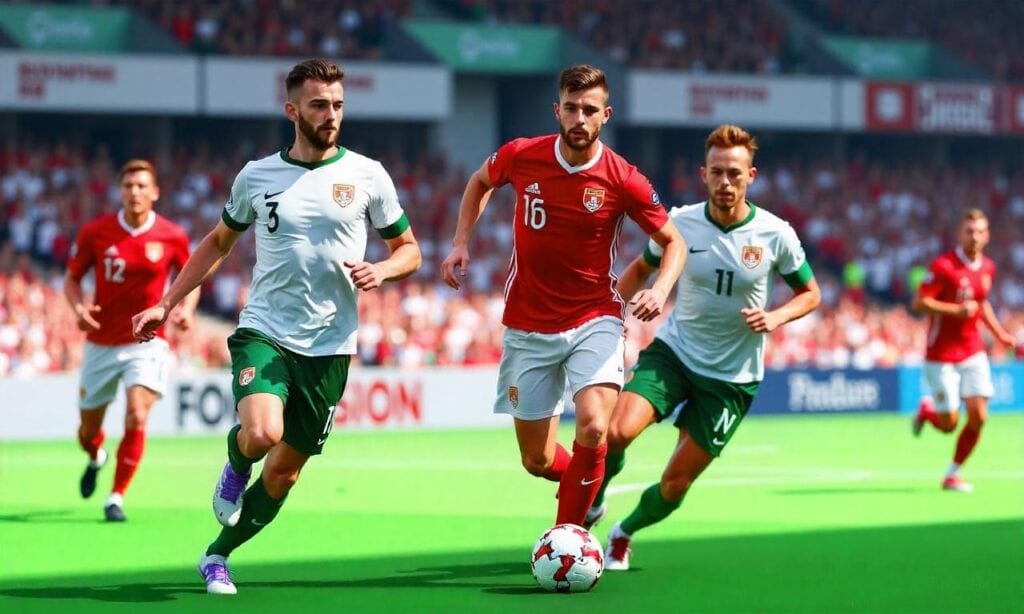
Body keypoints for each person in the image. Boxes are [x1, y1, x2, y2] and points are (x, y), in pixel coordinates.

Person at [132, 58, 421, 595]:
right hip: (265, 330)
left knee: (285, 473)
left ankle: (218, 555)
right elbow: (219, 242)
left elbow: (409, 250)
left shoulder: (368, 175)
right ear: (292, 111)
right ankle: (237, 459)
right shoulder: (257, 175)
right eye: (319, 105)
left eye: (338, 105)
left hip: (331, 346)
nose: (331, 114)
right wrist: (167, 303)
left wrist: (382, 270)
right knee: (263, 432)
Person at [440, 64, 687, 528]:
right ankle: (586, 487)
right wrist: (460, 242)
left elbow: (674, 241)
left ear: (606, 115)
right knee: (535, 459)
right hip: (527, 322)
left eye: (589, 110)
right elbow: (479, 182)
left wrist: (660, 288)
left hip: (595, 317)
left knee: (593, 425)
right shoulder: (522, 154)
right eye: (571, 108)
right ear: (557, 110)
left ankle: (570, 536)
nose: (579, 118)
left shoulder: (624, 179)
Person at [587, 124, 821, 570]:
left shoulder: (775, 234)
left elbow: (811, 294)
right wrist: (605, 318)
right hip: (675, 353)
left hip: (732, 378)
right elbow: (640, 269)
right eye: (717, 172)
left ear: (751, 176)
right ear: (703, 174)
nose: (725, 182)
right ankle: (595, 501)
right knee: (614, 433)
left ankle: (624, 532)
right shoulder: (680, 223)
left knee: (675, 483)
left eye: (734, 173)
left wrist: (776, 316)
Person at [64, 159, 197, 522]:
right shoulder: (95, 233)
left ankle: (116, 496)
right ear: (120, 192)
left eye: (141, 186)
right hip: (101, 343)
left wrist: (186, 309)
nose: (134, 192)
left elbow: (191, 278)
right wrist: (78, 309)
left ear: (155, 193)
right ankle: (96, 455)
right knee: (88, 431)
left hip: (147, 342)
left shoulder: (172, 235)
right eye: (128, 186)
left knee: (137, 414)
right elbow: (72, 280)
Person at [910, 209, 1016, 492]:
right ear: (960, 234)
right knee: (949, 425)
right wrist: (955, 310)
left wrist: (1001, 335)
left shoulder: (988, 267)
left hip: (972, 349)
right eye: (969, 231)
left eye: (980, 231)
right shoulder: (944, 266)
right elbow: (919, 302)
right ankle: (927, 411)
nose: (975, 237)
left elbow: (982, 304)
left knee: (979, 416)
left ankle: (952, 473)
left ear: (987, 235)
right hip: (941, 354)